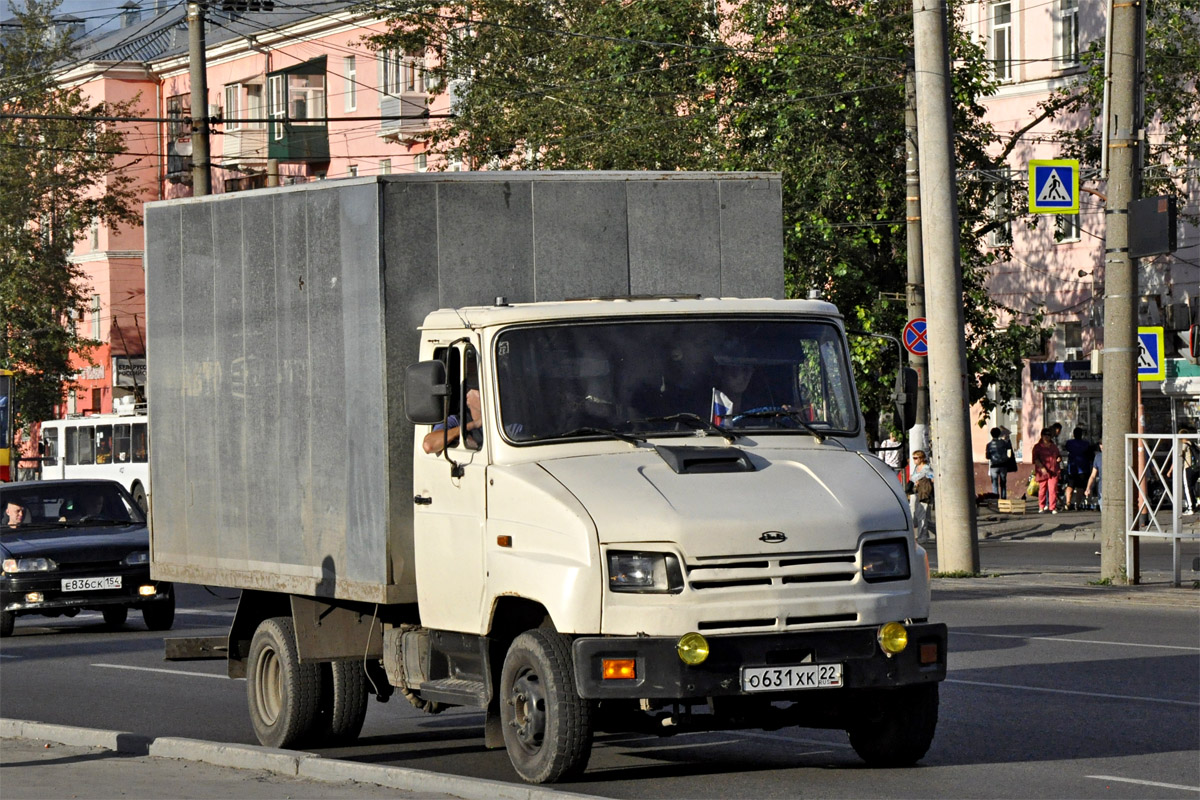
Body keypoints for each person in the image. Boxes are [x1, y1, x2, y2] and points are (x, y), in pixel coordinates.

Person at [423, 387, 484, 455]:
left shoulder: (495, 420)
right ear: (468, 397)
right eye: (478, 390)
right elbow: (429, 445)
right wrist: (474, 425)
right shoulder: (456, 420)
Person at [1062, 427, 1093, 510]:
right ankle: (1077, 504)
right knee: (1080, 487)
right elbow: (1090, 454)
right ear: (1081, 434)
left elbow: (1065, 448)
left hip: (1072, 468)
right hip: (1083, 468)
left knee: (1070, 485)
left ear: (1073, 434)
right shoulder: (1086, 444)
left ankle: (1068, 503)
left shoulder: (1069, 443)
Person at [1032, 427, 1062, 514]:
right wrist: (1042, 468)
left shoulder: (1053, 446)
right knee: (1042, 490)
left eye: (1049, 435)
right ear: (1042, 436)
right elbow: (1036, 459)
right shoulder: (1037, 447)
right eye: (1045, 435)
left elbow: (1058, 455)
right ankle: (1041, 506)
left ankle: (1052, 507)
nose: (1047, 437)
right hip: (1043, 471)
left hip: (1053, 471)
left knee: (1052, 489)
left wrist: (1059, 459)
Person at [909, 449, 934, 544]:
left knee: (921, 517)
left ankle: (922, 537)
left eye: (916, 458)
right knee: (917, 516)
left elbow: (933, 477)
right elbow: (913, 478)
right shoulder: (917, 467)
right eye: (913, 458)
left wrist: (927, 480)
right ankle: (938, 531)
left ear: (922, 458)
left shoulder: (926, 468)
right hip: (916, 493)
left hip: (924, 494)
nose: (914, 460)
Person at [985, 427, 1014, 499]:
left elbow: (987, 456)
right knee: (1003, 484)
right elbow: (1009, 448)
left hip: (994, 466)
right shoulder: (1003, 443)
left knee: (994, 484)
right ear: (999, 434)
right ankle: (1003, 500)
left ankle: (995, 499)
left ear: (991, 434)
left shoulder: (989, 445)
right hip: (1003, 465)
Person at [1084, 440, 1102, 508]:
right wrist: (1088, 488)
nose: (1102, 446)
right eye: (1100, 444)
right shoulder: (1098, 457)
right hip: (1101, 489)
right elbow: (1093, 475)